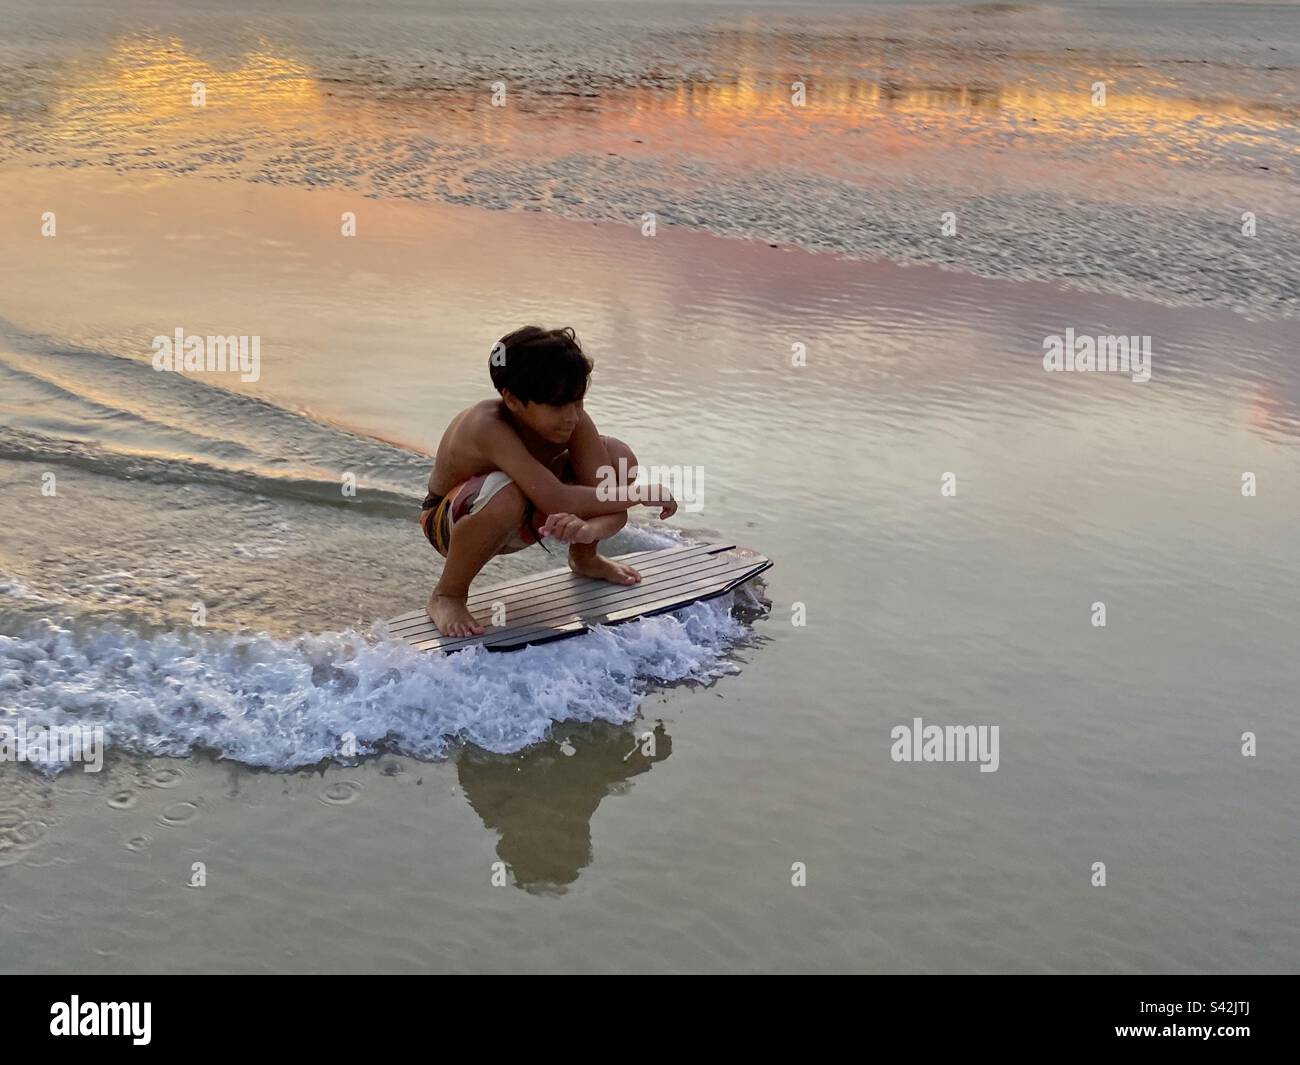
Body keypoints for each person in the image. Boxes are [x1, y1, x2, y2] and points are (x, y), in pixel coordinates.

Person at [421, 326, 676, 636]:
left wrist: (587, 531)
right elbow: (561, 501)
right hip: (451, 523)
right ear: (512, 400)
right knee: (506, 493)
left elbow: (607, 498)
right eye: (558, 406)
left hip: (534, 510)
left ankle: (585, 558)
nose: (571, 416)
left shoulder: (574, 421)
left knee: (618, 456)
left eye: (577, 402)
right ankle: (448, 594)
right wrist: (638, 493)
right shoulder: (486, 426)